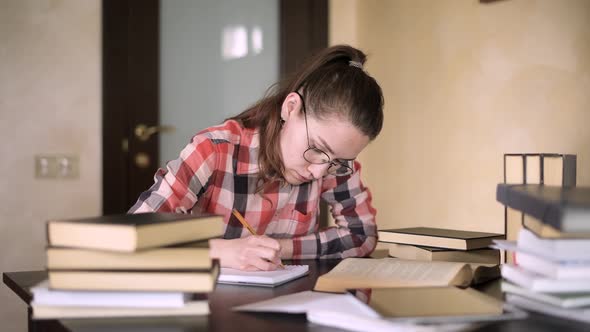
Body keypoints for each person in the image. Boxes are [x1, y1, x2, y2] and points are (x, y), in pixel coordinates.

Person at [130, 45, 384, 271]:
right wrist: (222, 252)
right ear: (291, 107)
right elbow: (134, 234)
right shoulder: (215, 150)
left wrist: (277, 248)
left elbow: (362, 235)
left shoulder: (331, 165)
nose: (318, 172)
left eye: (336, 162)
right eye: (316, 148)